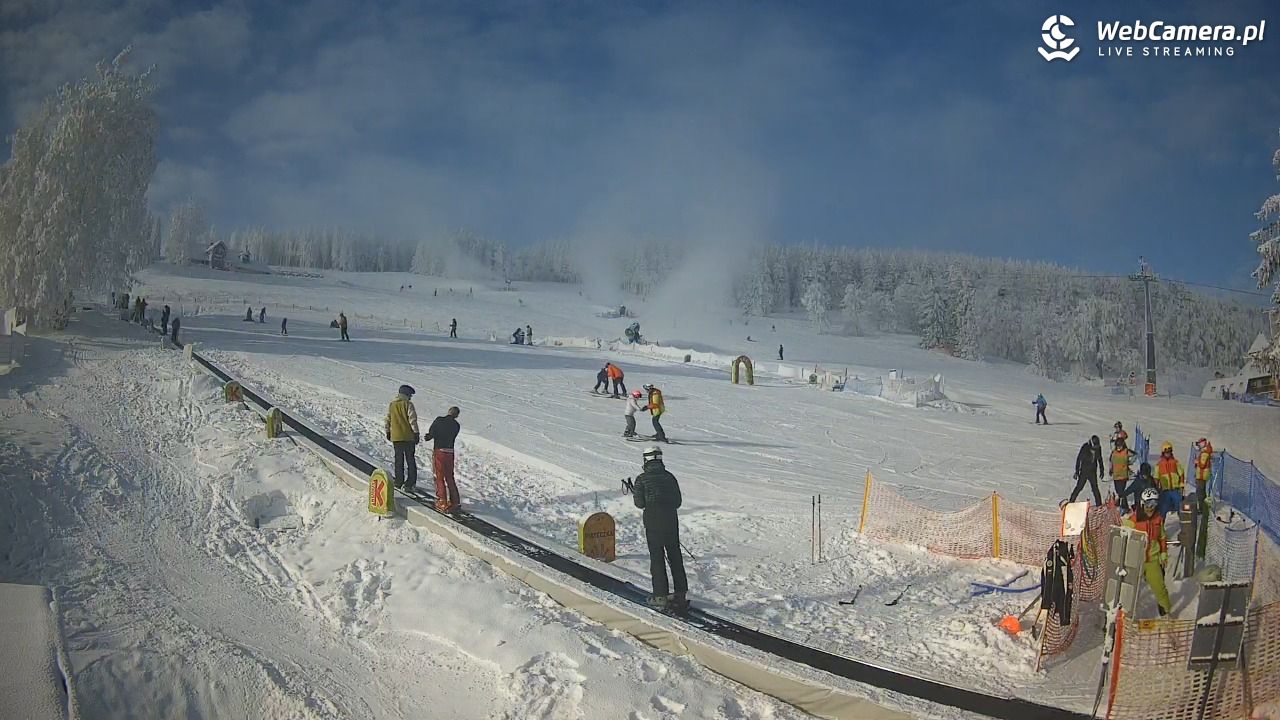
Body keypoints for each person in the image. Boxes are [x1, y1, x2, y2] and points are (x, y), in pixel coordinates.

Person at [631, 446, 687, 610]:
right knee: (675, 555)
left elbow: (639, 503)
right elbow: (677, 502)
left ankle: (660, 595)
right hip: (671, 520)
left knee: (657, 557)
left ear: (645, 460)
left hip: (653, 520)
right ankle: (680, 593)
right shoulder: (670, 477)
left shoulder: (642, 479)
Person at [1123, 487, 1171, 616]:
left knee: (1160, 588)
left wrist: (1163, 553)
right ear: (1142, 503)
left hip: (1152, 560)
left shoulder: (1158, 519)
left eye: (1154, 504)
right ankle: (1124, 619)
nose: (1151, 507)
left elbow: (1162, 537)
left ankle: (1166, 613)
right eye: (1149, 504)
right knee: (1129, 591)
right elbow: (1122, 539)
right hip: (1136, 561)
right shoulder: (1133, 521)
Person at [424, 406, 462, 512]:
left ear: (449, 412)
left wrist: (429, 436)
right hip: (450, 452)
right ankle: (455, 501)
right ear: (457, 415)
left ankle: (442, 501)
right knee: (450, 476)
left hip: (439, 451)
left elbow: (433, 432)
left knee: (439, 476)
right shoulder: (456, 425)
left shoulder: (439, 420)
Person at [385, 385, 420, 490]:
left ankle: (398, 481)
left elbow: (387, 419)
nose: (410, 397)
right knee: (410, 460)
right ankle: (410, 483)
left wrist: (388, 431)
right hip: (408, 437)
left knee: (399, 460)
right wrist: (416, 433)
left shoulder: (392, 405)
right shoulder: (408, 404)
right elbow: (412, 420)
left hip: (396, 437)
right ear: (406, 394)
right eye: (410, 395)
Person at [1069, 435, 1105, 505]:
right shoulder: (1085, 447)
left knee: (1095, 488)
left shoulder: (1098, 448)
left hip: (1092, 471)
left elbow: (1100, 459)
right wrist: (1077, 471)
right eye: (1094, 447)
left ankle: (1099, 504)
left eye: (1097, 447)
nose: (1096, 448)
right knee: (1079, 487)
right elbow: (1079, 459)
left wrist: (1102, 470)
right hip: (1084, 471)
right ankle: (1071, 502)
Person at [1154, 441, 1186, 517]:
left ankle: (1183, 523)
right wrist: (1156, 488)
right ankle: (1161, 525)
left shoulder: (1175, 462)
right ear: (1163, 453)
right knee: (1163, 508)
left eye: (1169, 452)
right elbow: (1156, 478)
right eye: (1166, 452)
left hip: (1175, 489)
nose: (1168, 454)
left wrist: (1181, 486)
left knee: (1180, 506)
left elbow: (1181, 474)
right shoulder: (1159, 465)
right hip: (1165, 491)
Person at [1109, 438, 1134, 512]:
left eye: (1120, 446)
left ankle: (1124, 506)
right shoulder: (1114, 453)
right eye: (1117, 446)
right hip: (1116, 475)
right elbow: (1111, 462)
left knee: (1121, 491)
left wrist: (1129, 462)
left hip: (1123, 475)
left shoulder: (1126, 452)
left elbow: (1135, 455)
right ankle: (1119, 503)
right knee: (1118, 490)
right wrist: (1111, 469)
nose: (1119, 448)